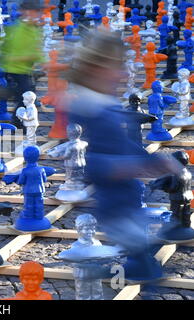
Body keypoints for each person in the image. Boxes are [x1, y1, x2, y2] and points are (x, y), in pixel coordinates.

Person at [64, 30, 183, 281]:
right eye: (115, 67)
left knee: (144, 256)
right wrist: (139, 166)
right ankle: (122, 269)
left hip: (128, 198)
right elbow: (89, 164)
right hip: (114, 205)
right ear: (95, 70)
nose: (123, 74)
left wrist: (150, 162)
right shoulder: (85, 109)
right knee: (142, 256)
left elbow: (123, 146)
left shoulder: (103, 103)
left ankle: (129, 267)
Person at [0, 0, 45, 108]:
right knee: (24, 99)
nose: (39, 14)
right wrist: (35, 57)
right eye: (36, 11)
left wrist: (43, 60)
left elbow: (35, 48)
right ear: (27, 12)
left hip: (24, 68)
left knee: (26, 94)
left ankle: (11, 92)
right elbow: (13, 55)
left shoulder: (31, 27)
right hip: (16, 69)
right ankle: (8, 92)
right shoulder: (20, 29)